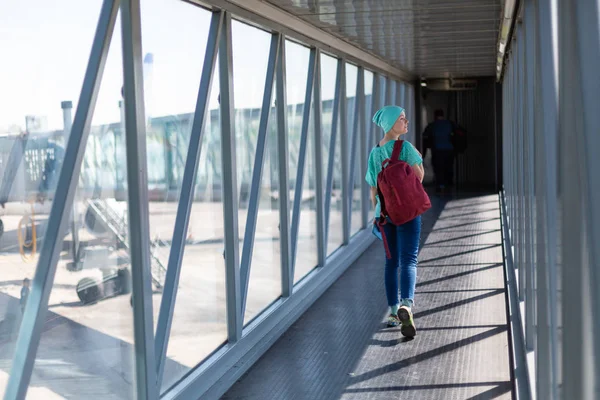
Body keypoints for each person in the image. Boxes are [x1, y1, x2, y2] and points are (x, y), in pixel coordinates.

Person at [365, 105, 424, 337]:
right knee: (409, 260)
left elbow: (373, 188)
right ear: (390, 124)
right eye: (401, 118)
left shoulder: (375, 153)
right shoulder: (406, 148)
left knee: (391, 262)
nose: (406, 121)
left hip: (386, 214)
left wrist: (378, 213)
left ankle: (392, 312)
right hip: (408, 212)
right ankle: (406, 305)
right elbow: (419, 176)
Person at [423, 109, 455, 192]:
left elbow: (425, 137)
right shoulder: (449, 124)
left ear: (435, 116)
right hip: (449, 149)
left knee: (438, 168)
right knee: (448, 167)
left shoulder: (432, 125)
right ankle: (449, 185)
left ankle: (440, 185)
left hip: (437, 150)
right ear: (443, 115)